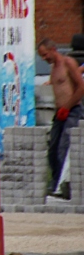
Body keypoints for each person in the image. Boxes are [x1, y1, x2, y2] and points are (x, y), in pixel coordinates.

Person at [38, 38, 84, 200]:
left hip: (71, 111)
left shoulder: (68, 63)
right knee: (53, 149)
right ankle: (55, 182)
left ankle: (60, 186)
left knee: (63, 147)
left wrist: (68, 106)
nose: (44, 59)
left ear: (53, 49)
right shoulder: (54, 69)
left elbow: (80, 87)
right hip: (60, 113)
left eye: (45, 55)